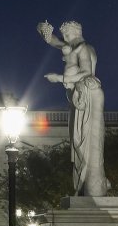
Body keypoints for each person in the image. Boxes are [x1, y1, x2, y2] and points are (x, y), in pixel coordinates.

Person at [38, 20, 111, 197]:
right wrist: (43, 30)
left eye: (67, 35)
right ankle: (85, 185)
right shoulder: (73, 45)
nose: (65, 39)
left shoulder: (83, 48)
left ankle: (94, 185)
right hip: (79, 95)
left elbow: (87, 72)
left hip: (87, 95)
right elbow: (54, 42)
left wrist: (59, 78)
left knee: (84, 140)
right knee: (78, 141)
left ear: (76, 32)